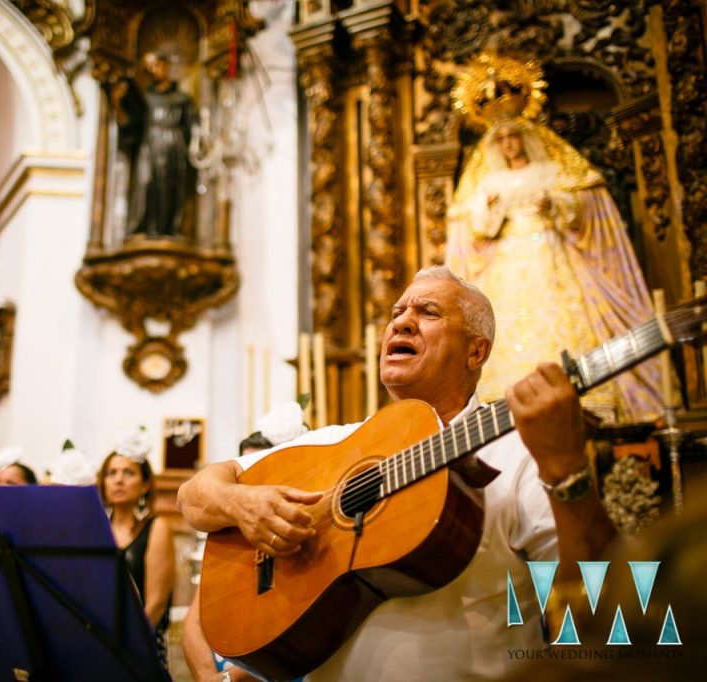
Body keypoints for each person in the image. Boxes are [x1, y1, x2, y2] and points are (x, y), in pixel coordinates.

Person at [177, 266, 618, 681]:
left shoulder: (522, 453)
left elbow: (602, 607)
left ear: (476, 351)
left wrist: (568, 472)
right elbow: (195, 495)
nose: (401, 323)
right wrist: (243, 503)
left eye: (428, 313)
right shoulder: (334, 443)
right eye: (396, 313)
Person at [445, 115, 662, 422]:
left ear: (524, 138)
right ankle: (505, 400)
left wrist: (556, 205)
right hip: (508, 255)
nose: (508, 144)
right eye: (501, 138)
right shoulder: (490, 180)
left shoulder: (548, 171)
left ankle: (576, 394)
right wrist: (489, 208)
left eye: (513, 136)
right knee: (508, 318)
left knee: (560, 314)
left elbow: (576, 209)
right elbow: (480, 228)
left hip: (548, 248)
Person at [182, 408, 306, 682]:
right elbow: (195, 619)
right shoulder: (230, 532)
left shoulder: (301, 530)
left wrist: (230, 679)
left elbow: (295, 628)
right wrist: (206, 676)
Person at [97, 429, 175, 671]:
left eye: (128, 473)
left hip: (141, 646)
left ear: (144, 485)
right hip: (97, 643)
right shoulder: (95, 529)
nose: (118, 480)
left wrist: (124, 648)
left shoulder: (156, 527)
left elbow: (156, 605)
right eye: (112, 473)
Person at [113, 51, 197, 239]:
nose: (154, 70)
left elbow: (193, 130)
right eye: (149, 67)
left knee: (170, 186)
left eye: (157, 65)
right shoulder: (144, 99)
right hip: (148, 146)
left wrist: (192, 149)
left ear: (166, 65)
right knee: (145, 183)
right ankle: (142, 228)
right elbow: (129, 126)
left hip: (174, 148)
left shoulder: (182, 99)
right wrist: (117, 102)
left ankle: (168, 229)